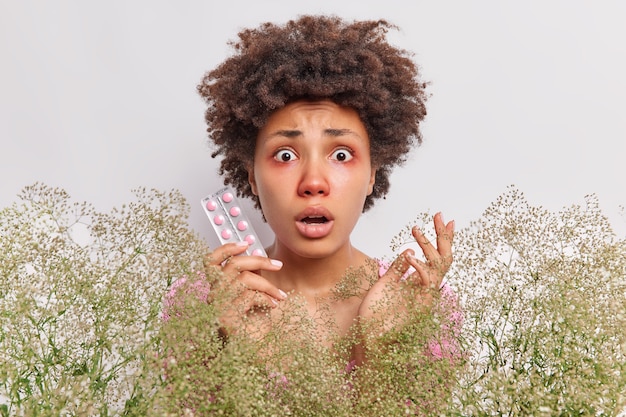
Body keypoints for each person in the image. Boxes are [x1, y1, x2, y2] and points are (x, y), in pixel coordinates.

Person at [163, 14, 459, 413]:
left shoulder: (419, 301)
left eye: (341, 154)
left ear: (372, 174)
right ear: (251, 176)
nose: (313, 182)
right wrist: (238, 353)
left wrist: (377, 350)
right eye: (285, 155)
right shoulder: (198, 303)